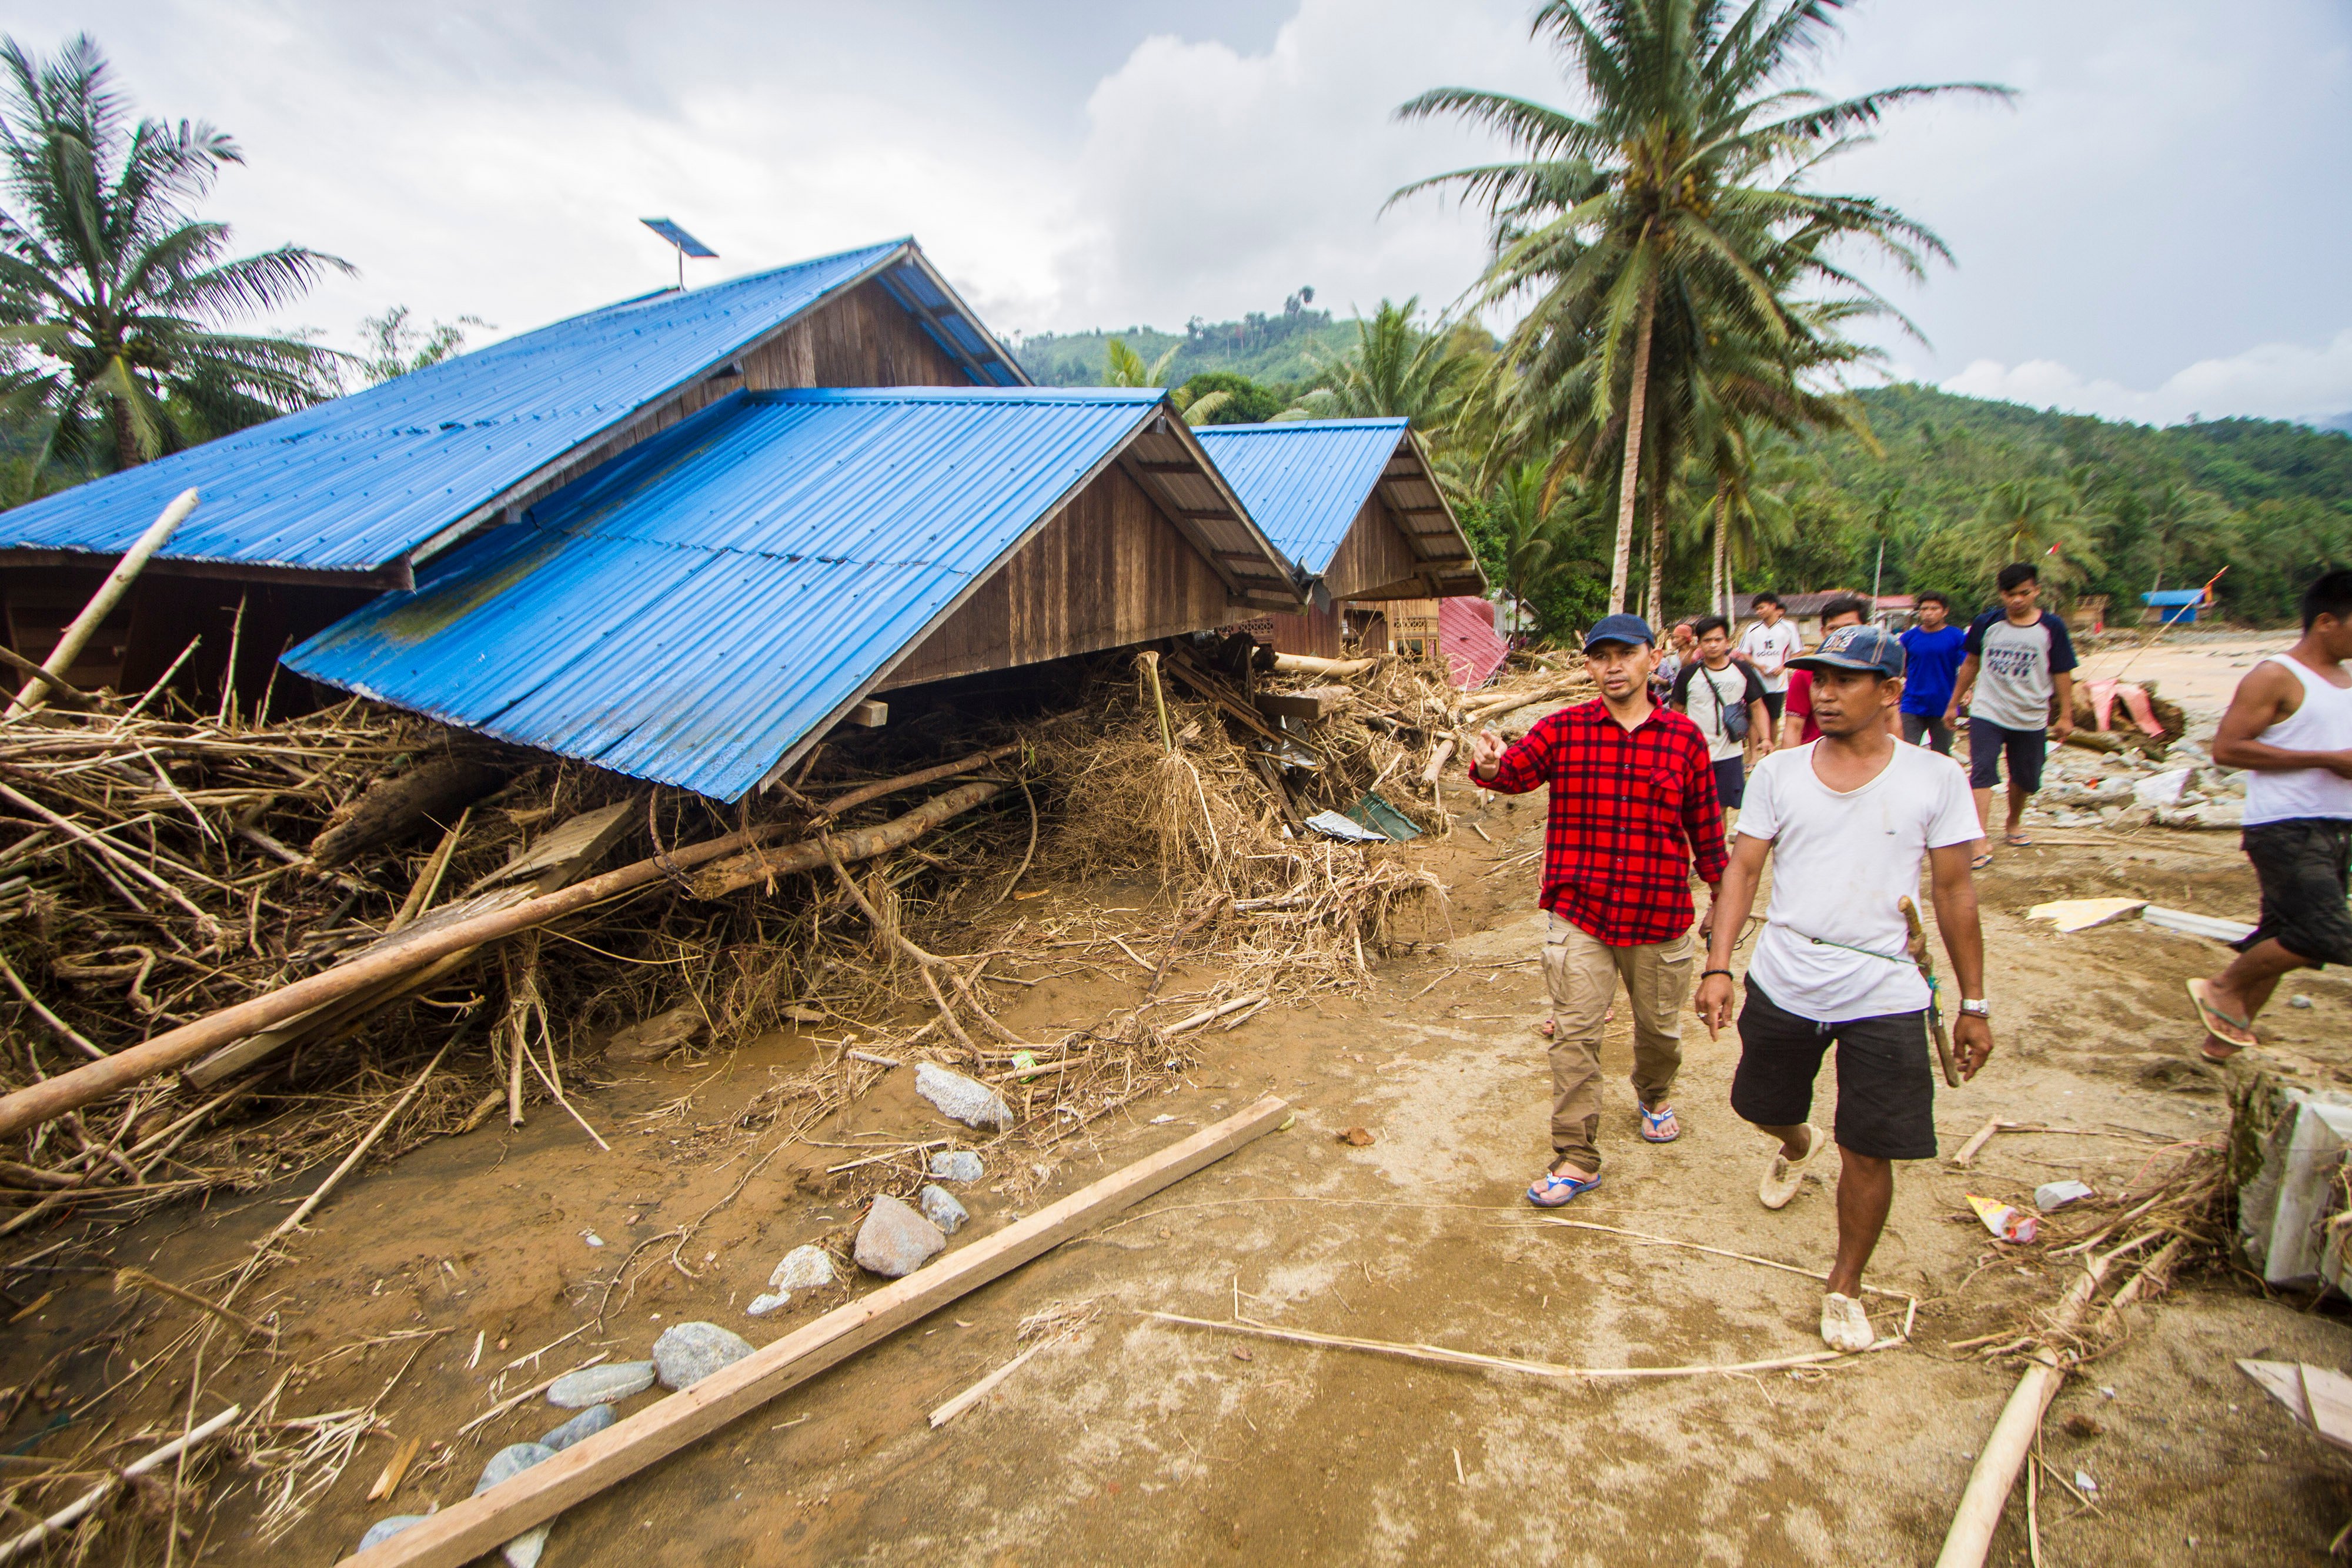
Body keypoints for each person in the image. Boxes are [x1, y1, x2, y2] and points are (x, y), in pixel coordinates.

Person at [1695, 623, 1993, 1352]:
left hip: (1885, 988)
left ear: (1890, 692)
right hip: (1787, 976)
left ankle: (1845, 1285)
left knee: (1869, 1147)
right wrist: (1718, 966)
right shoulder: (1779, 774)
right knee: (1758, 1105)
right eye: (1818, 680)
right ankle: (1798, 1144)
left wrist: (1974, 1004)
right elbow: (1742, 870)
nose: (1824, 694)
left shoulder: (1934, 779)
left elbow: (1955, 893)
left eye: (1843, 681)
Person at [1466, 614, 1727, 1207]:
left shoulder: (1683, 739)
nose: (1613, 667)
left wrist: (1719, 896)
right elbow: (1513, 773)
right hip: (1581, 913)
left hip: (1658, 915)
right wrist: (1490, 764)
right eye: (1601, 656)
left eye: (1625, 654)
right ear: (1588, 666)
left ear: (1653, 659)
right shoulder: (1563, 730)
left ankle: (1653, 1093)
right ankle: (1576, 1155)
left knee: (1659, 1031)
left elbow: (1707, 830)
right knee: (1575, 1035)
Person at [2187, 570, 2352, 1062]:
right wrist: (2325, 759)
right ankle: (2222, 986)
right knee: (2326, 934)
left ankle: (2224, 1038)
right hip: (2286, 825)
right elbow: (2227, 748)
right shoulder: (2276, 675)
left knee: (2281, 935)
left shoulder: (2345, 681)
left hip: (2338, 825)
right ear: (2327, 621)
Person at [1945, 563, 2077, 865]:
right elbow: (1971, 664)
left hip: (2031, 715)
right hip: (1988, 711)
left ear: (2036, 591)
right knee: (1983, 770)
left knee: (2025, 775)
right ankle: (1979, 837)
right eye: (2010, 594)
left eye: (2024, 593)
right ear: (2001, 594)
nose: (2017, 600)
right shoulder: (1987, 623)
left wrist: (2066, 715)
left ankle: (2013, 821)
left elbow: (2062, 672)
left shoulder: (2052, 628)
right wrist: (1953, 704)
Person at [1672, 614, 1773, 811]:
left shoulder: (1742, 670)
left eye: (1718, 640)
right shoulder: (1688, 674)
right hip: (1697, 754)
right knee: (1694, 808)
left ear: (1728, 641)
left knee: (1721, 809)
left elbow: (1757, 706)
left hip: (1730, 753)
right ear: (1699, 643)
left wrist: (1766, 738)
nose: (1713, 645)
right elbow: (1676, 712)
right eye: (1707, 640)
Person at [1779, 596, 1881, 750]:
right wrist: (1789, 761)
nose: (1841, 635)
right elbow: (1794, 727)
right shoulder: (1804, 674)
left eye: (1850, 628)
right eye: (1833, 629)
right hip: (1818, 756)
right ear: (1823, 632)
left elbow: (1890, 718)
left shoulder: (1878, 673)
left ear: (1867, 628)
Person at [1897, 591, 1966, 754]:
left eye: (1934, 609)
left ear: (1945, 611)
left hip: (1944, 705)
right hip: (1912, 704)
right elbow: (1900, 667)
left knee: (1941, 754)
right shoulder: (1909, 638)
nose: (1928, 613)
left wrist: (1965, 692)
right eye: (1924, 609)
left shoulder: (1956, 636)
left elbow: (1966, 667)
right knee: (1906, 752)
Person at [1735, 593, 1801, 726]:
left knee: (1774, 718)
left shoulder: (1789, 627)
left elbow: (1798, 652)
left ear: (1773, 606)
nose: (1759, 612)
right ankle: (1755, 741)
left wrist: (1782, 667)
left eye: (1762, 608)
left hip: (1778, 682)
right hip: (1756, 680)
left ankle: (1771, 740)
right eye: (1757, 609)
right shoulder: (1752, 629)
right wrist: (1758, 666)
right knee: (1753, 717)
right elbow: (1744, 653)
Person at [1651, 619, 1697, 706]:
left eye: (1677, 638)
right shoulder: (1671, 657)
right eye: (1673, 638)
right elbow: (1670, 680)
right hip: (1676, 696)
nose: (1674, 641)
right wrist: (1662, 682)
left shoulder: (1696, 653)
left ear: (1686, 639)